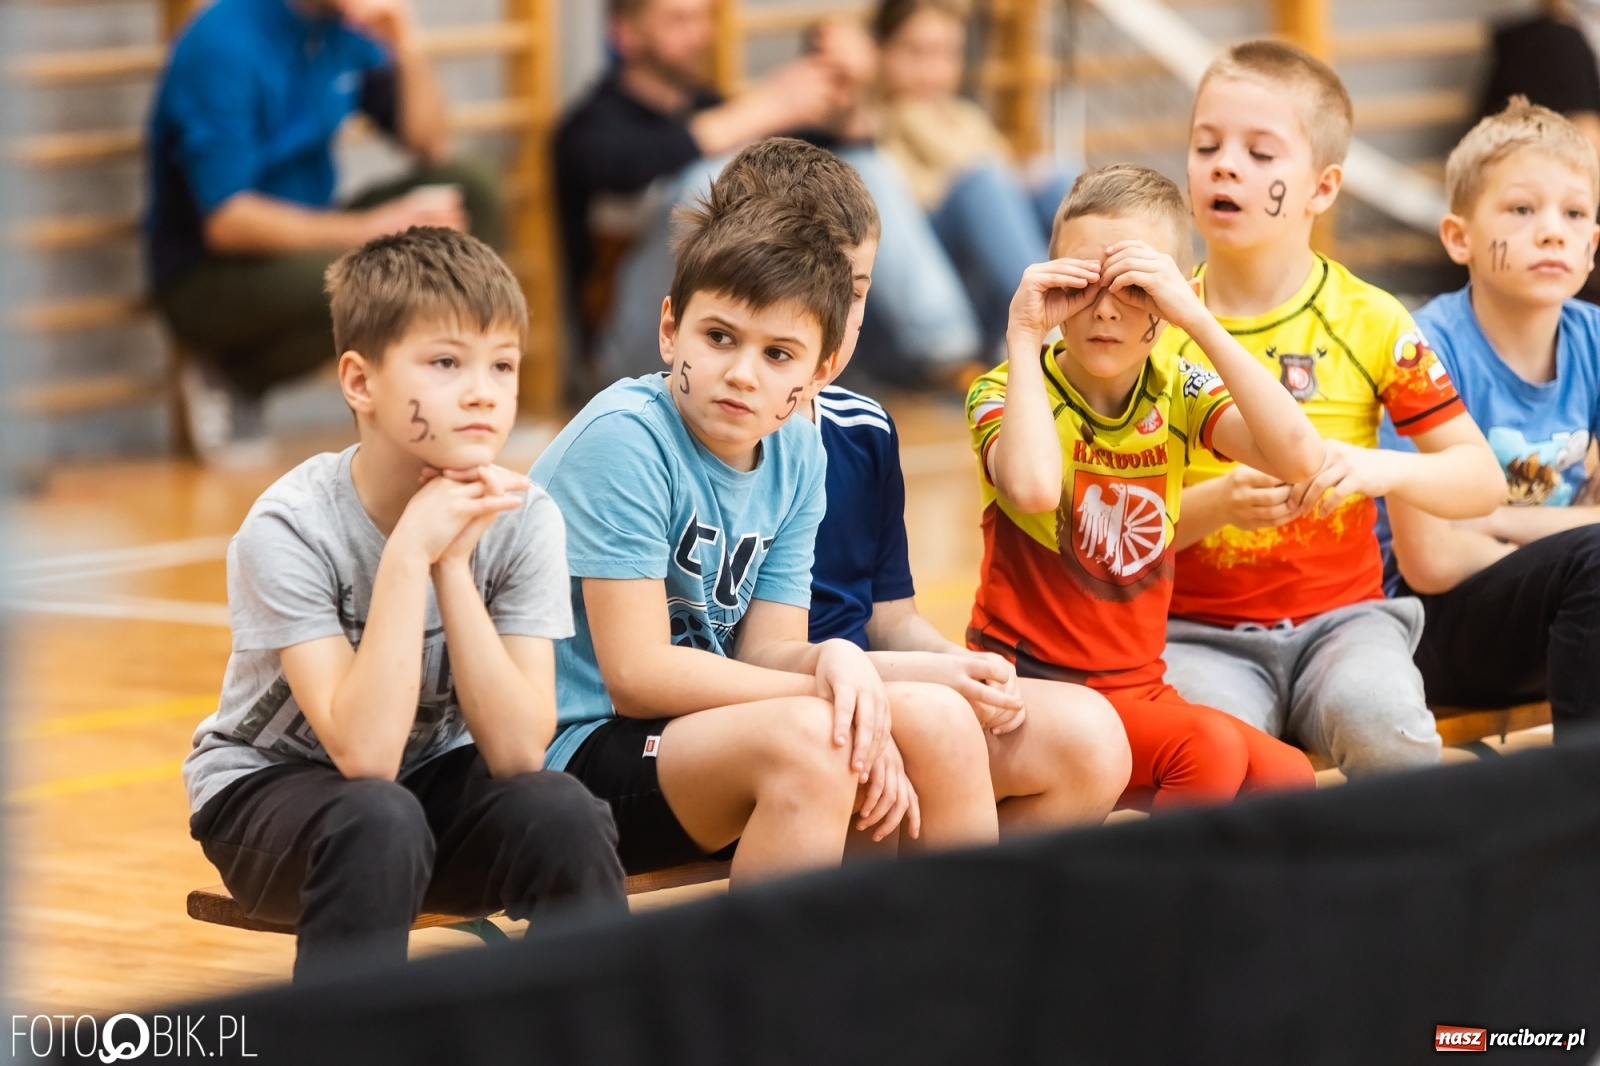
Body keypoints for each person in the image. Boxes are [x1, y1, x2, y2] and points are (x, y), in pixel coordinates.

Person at [182, 228, 625, 983]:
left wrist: (452, 567)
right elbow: (365, 757)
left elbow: (519, 752)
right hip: (266, 792)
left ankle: (587, 1031)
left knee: (564, 811)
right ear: (360, 382)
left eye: (503, 364)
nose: (484, 391)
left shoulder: (525, 518)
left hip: (421, 784)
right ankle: (350, 1036)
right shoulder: (290, 526)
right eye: (447, 363)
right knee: (378, 819)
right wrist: (409, 554)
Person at [531, 200, 998, 883]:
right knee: (823, 737)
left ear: (820, 372)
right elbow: (637, 677)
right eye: (720, 337)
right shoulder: (625, 438)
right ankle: (772, 959)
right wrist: (829, 687)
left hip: (687, 731)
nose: (744, 374)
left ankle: (950, 951)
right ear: (670, 329)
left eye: (778, 354)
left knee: (939, 722)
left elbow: (767, 649)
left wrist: (838, 659)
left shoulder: (800, 454)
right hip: (570, 747)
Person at [705, 137, 1130, 833]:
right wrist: (912, 688)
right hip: (782, 708)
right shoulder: (703, 436)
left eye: (856, 291)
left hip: (882, 688)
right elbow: (733, 659)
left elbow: (890, 618)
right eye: (818, 288)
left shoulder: (864, 429)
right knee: (934, 723)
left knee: (1092, 739)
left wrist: (960, 666)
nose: (838, 315)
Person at [1155, 42, 1505, 776]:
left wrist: (1379, 469)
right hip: (1193, 635)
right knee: (1215, 763)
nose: (1224, 167)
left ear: (1322, 188)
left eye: (1260, 153)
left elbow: (1480, 481)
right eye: (1206, 146)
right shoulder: (1153, 330)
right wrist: (1218, 504)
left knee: (1384, 721)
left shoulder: (1371, 320)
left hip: (1348, 627)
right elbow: (1114, 536)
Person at [966, 163, 1323, 810]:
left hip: (1137, 685)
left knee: (1287, 774)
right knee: (1208, 749)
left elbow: (1298, 457)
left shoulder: (1177, 386)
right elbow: (1034, 490)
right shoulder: (1006, 390)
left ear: (1175, 295)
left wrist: (1200, 321)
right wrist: (1023, 334)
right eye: (1082, 282)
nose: (1105, 307)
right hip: (1031, 692)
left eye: (1135, 286)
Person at [554, 0, 984, 392]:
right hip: (640, 349)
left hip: (746, 343)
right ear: (625, 33)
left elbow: (838, 153)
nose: (699, 34)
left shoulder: (710, 107)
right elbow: (624, 165)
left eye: (702, 18)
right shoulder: (591, 126)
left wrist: (845, 99)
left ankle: (948, 353)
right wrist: (766, 108)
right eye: (678, 20)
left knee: (867, 169)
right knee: (709, 178)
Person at [145, 0, 504, 464]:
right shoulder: (221, 44)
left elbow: (430, 143)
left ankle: (461, 400)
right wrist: (370, 229)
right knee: (366, 279)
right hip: (208, 276)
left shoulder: (341, 29)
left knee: (469, 194)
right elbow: (228, 221)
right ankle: (233, 374)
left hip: (311, 239)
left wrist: (406, 39)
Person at [1380, 98, 1600, 743]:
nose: (1552, 231)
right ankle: (1582, 798)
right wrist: (1567, 543)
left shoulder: (1594, 341)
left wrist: (1499, 519)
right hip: (1430, 627)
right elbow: (1431, 559)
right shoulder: (1422, 348)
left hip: (1563, 607)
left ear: (1592, 245)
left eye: (1574, 213)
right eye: (1522, 209)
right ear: (1459, 238)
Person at [872, 0, 1075, 355]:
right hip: (937, 282)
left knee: (1060, 179)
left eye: (947, 53)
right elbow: (914, 207)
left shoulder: (966, 118)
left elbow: (1007, 185)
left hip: (987, 271)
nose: (932, 70)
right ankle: (1049, 322)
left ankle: (1100, 303)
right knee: (982, 185)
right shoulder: (874, 127)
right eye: (915, 52)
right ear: (881, 52)